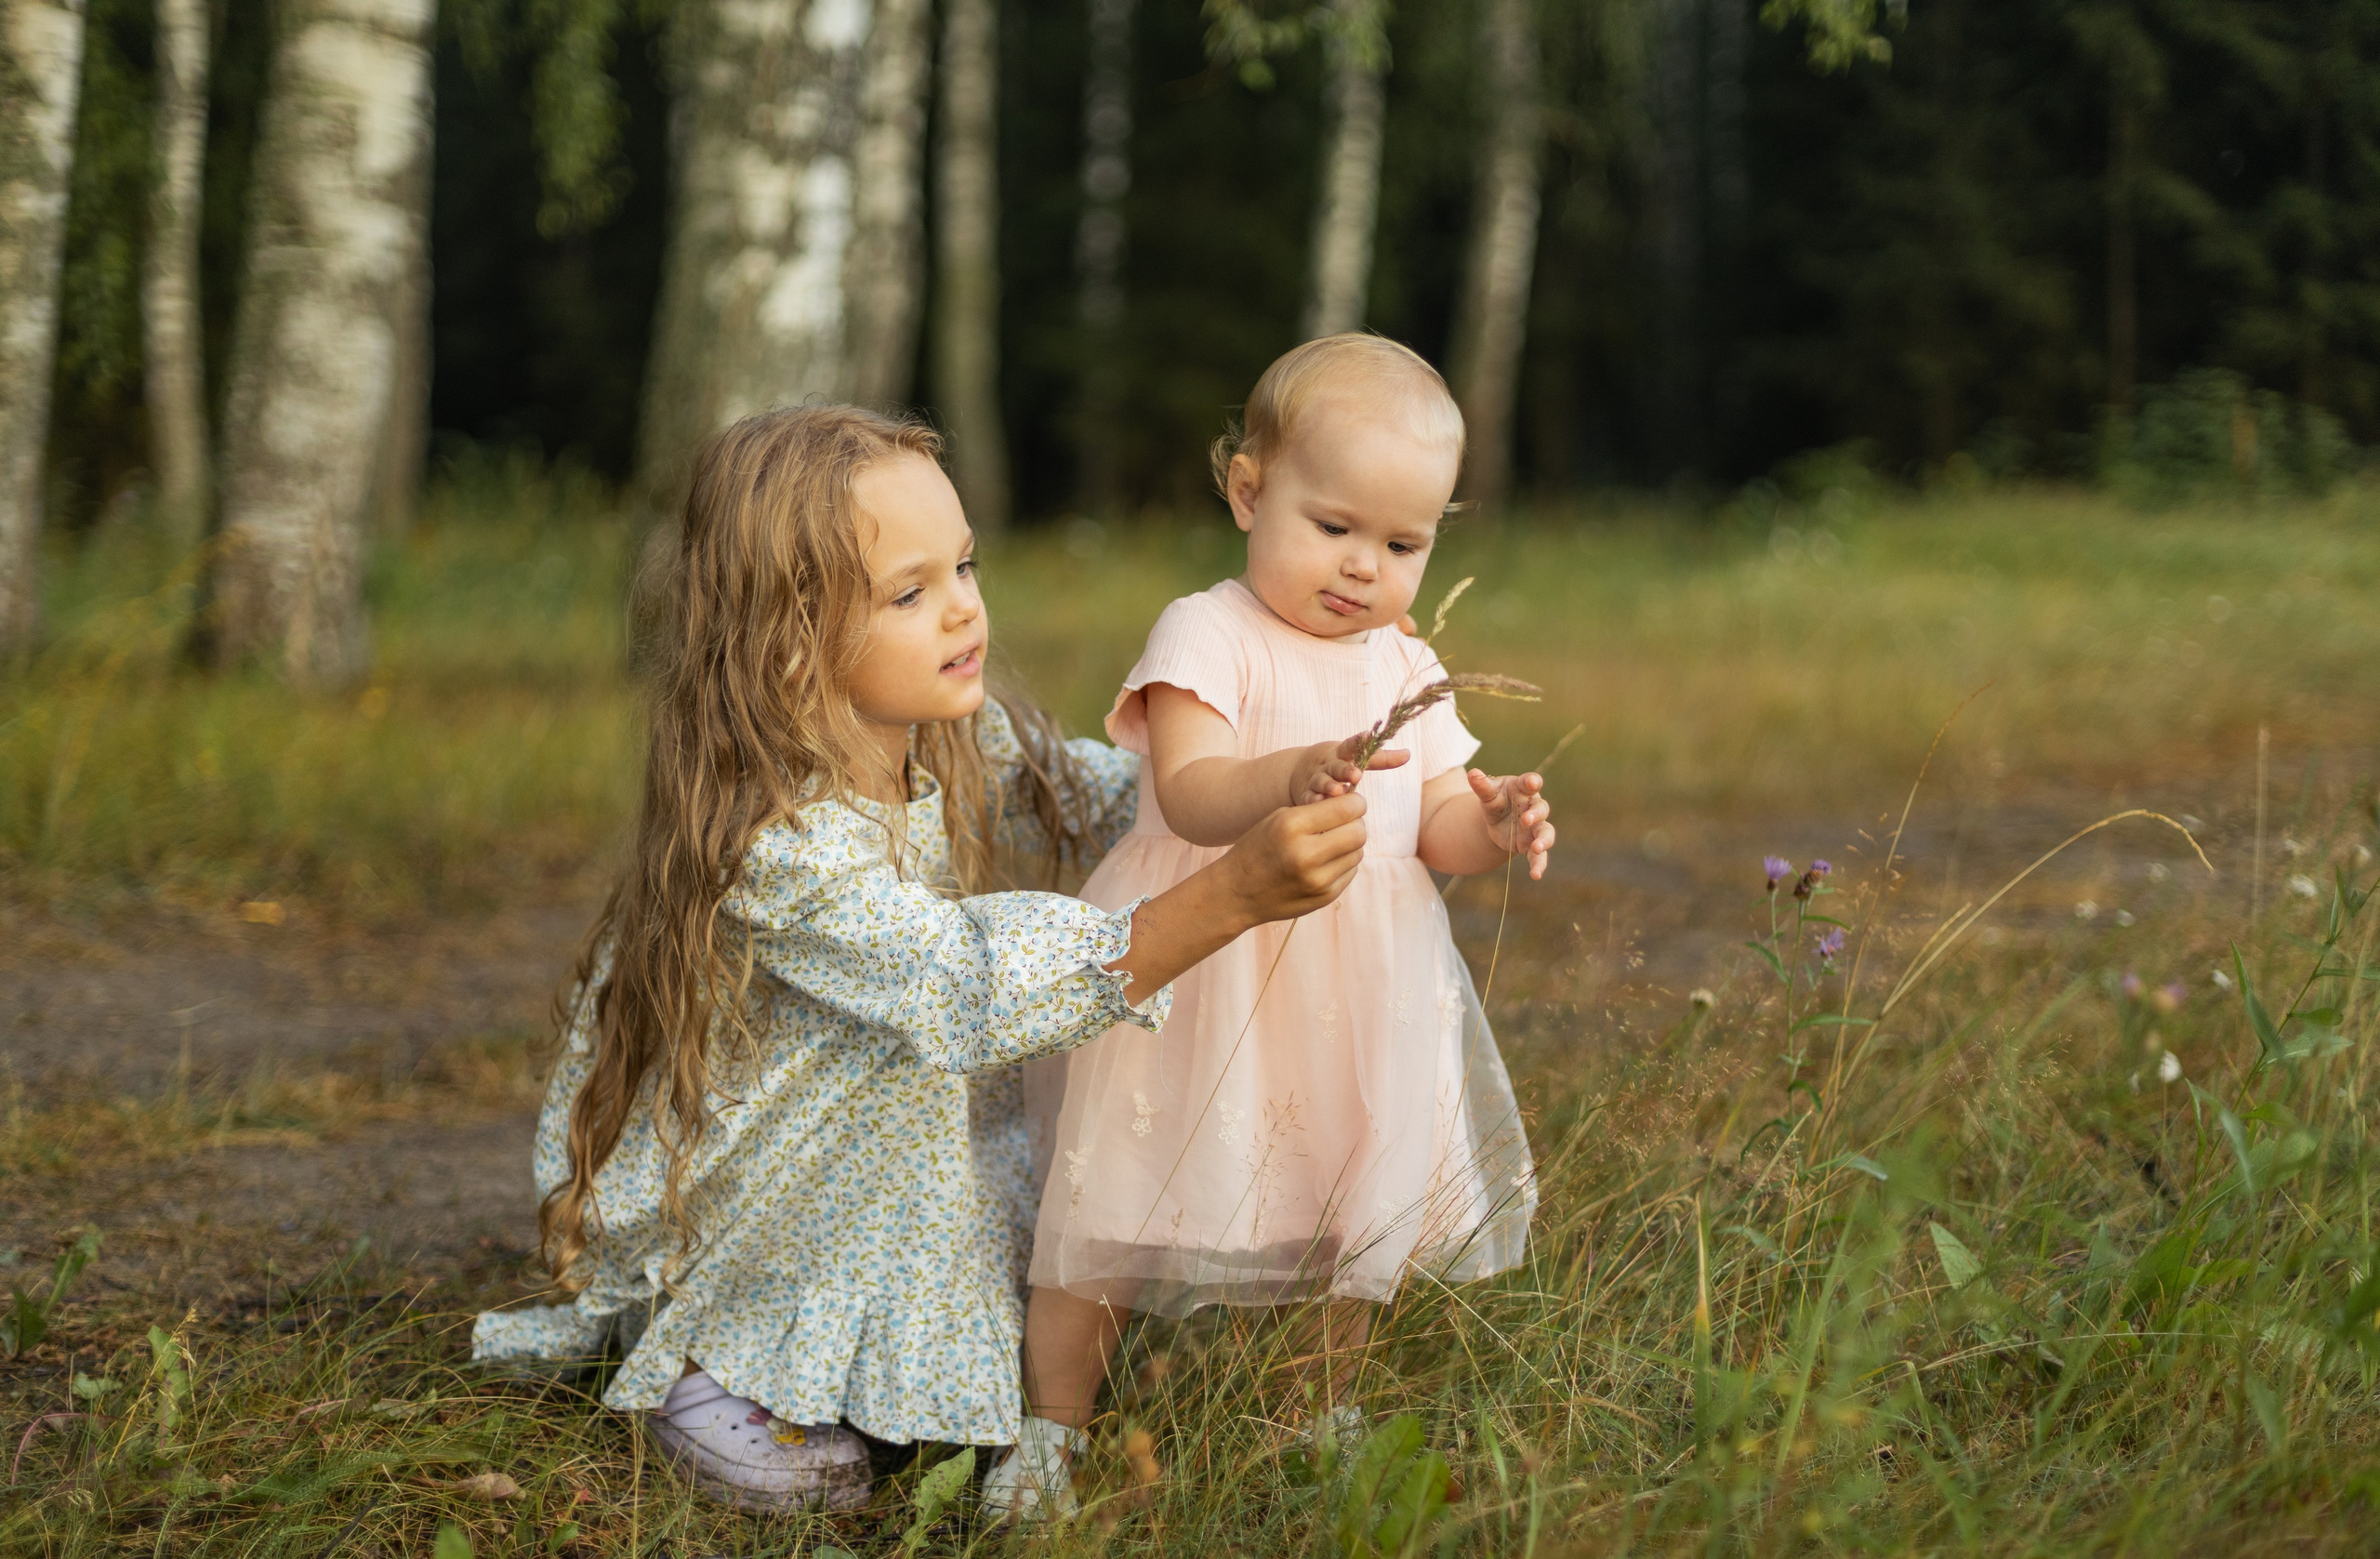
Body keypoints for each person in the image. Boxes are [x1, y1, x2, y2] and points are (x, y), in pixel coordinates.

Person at [471, 406, 1371, 1513]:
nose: (963, 606)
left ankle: (918, 1345)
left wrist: (1247, 778)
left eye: (964, 564)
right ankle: (728, 1359)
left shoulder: (948, 734)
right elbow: (961, 986)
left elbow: (1099, 800)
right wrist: (1226, 897)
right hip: (775, 1192)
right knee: (934, 1064)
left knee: (1013, 1154)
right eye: (909, 592)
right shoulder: (776, 838)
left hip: (902, 1169)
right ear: (788, 639)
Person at [997, 334, 1555, 1520]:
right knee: (1111, 1204)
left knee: (1345, 1199)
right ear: (1249, 490)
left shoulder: (1407, 657)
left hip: (1362, 985)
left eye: (1401, 545)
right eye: (1333, 526)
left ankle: (1318, 1414)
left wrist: (1492, 820)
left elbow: (1433, 819)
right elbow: (1191, 792)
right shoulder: (1208, 632)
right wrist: (1289, 769)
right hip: (1205, 957)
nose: (1362, 569)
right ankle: (1051, 1429)